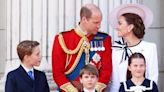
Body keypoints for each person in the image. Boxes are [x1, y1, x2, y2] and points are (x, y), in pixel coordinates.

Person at [52, 3, 112, 92]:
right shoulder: (63, 38)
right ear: (84, 19)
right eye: (95, 22)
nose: (99, 26)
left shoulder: (104, 39)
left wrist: (94, 89)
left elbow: (106, 70)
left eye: (100, 22)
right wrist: (72, 90)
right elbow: (57, 72)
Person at [108, 4, 158, 92]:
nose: (116, 27)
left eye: (120, 23)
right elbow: (115, 83)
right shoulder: (116, 49)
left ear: (130, 27)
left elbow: (153, 79)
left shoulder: (150, 48)